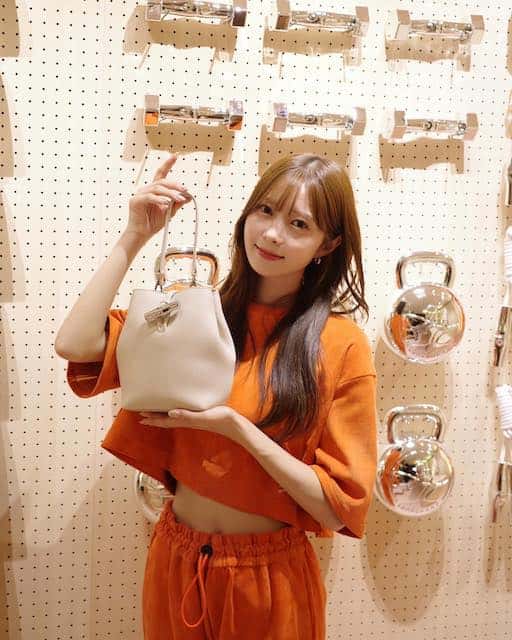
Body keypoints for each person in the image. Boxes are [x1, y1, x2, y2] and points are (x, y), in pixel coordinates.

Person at [54, 152, 378, 640]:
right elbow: (75, 344)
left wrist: (237, 429)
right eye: (265, 211)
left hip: (269, 578)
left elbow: (338, 507)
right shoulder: (196, 313)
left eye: (299, 224)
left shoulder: (340, 344)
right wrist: (135, 234)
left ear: (327, 244)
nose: (272, 234)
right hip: (176, 557)